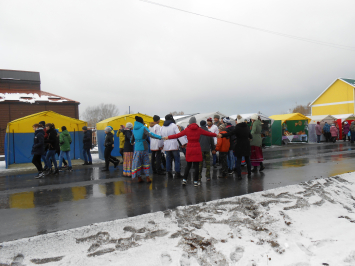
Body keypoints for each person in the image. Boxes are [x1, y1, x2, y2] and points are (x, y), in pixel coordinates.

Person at [164, 116, 217, 187]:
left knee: (188, 165)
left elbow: (177, 135)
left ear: (190, 122)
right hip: (197, 148)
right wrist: (217, 135)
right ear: (195, 122)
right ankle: (195, 181)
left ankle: (184, 180)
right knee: (196, 165)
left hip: (189, 148)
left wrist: (168, 137)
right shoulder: (199, 129)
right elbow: (209, 134)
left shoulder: (187, 129)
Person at [218, 115, 252, 179]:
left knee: (238, 160)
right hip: (247, 145)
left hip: (239, 145)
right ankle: (249, 174)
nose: (236, 122)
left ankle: (239, 175)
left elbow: (230, 133)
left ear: (238, 121)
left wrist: (222, 135)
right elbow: (250, 136)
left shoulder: (237, 128)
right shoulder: (247, 127)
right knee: (248, 160)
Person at [131, 116, 163, 183]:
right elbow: (151, 134)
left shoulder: (134, 128)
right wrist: (160, 137)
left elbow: (132, 138)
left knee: (138, 163)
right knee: (145, 162)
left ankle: (139, 178)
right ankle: (147, 177)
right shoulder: (143, 128)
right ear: (141, 121)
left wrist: (132, 142)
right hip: (144, 147)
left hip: (137, 148)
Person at [160, 114, 186, 178]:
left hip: (166, 145)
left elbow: (161, 137)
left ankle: (169, 173)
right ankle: (177, 173)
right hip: (174, 144)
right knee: (176, 159)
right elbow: (179, 135)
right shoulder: (173, 125)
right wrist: (184, 143)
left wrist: (161, 145)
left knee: (168, 159)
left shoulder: (162, 127)